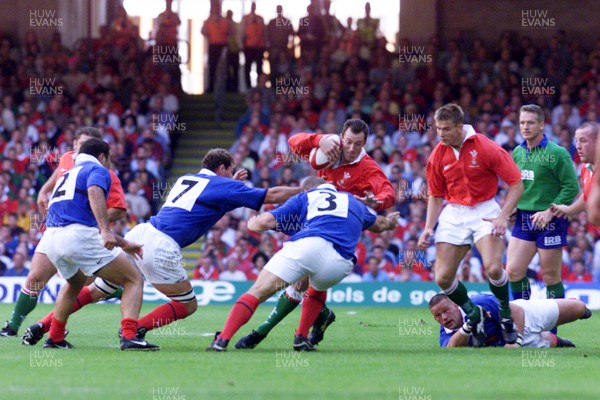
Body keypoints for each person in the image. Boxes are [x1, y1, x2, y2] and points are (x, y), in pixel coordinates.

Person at [22, 148, 301, 346]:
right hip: (162, 246)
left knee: (96, 289)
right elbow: (271, 195)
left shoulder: (186, 178)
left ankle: (43, 326)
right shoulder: (222, 186)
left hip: (143, 231)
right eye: (229, 171)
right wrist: (303, 191)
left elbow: (209, 200)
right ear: (223, 169)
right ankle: (135, 330)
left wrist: (231, 186)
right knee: (187, 304)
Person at [235, 118, 395, 349]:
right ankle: (318, 318)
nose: (351, 148)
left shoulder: (368, 168)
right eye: (349, 142)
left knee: (302, 282)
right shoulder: (329, 147)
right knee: (308, 282)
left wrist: (377, 201)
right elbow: (293, 142)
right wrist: (319, 139)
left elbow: (387, 192)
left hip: (338, 230)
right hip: (313, 217)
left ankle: (261, 333)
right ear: (341, 137)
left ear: (365, 144)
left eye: (358, 144)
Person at [207, 177, 399, 351]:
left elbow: (263, 223)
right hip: (340, 261)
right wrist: (390, 223)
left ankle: (222, 340)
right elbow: (380, 225)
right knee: (312, 284)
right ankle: (300, 337)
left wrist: (252, 223)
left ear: (307, 190)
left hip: (308, 246)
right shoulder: (353, 202)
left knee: (257, 291)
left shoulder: (306, 197)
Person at [0, 127, 126, 338]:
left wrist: (92, 219)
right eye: (80, 144)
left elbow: (119, 208)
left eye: (87, 145)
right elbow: (58, 175)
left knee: (81, 284)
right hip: (55, 230)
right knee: (36, 278)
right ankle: (12, 326)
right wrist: (43, 191)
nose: (82, 149)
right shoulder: (67, 159)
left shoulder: (105, 173)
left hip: (80, 233)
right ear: (75, 143)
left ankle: (103, 292)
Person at [417, 103, 524, 346]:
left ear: (459, 127)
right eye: (437, 129)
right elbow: (435, 195)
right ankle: (472, 313)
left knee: (494, 269)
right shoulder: (437, 154)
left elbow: (516, 184)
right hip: (454, 213)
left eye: (445, 129)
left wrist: (502, 215)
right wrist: (428, 227)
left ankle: (506, 314)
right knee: (443, 278)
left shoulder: (487, 148)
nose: (440, 134)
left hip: (485, 209)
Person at [38, 138, 158, 350]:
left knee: (75, 284)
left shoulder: (67, 174)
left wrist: (123, 243)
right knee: (133, 279)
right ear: (102, 157)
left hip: (51, 239)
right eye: (109, 158)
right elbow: (94, 192)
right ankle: (130, 336)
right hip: (76, 236)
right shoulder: (97, 168)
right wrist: (105, 230)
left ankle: (55, 337)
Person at [506, 104, 579, 303]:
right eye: (522, 122)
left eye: (530, 122)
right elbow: (518, 185)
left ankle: (551, 332)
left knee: (550, 277)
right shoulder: (518, 153)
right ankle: (528, 318)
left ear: (541, 125)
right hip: (524, 218)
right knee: (513, 271)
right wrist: (513, 207)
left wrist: (550, 211)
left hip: (551, 220)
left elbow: (572, 188)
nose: (525, 127)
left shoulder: (557, 153)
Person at [428, 293, 591, 348]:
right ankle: (555, 339)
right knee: (551, 343)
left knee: (579, 308)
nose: (443, 318)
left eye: (446, 311)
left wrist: (516, 342)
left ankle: (573, 303)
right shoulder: (447, 330)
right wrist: (469, 324)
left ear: (456, 305)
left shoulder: (480, 302)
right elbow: (451, 348)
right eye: (437, 316)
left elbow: (516, 311)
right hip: (503, 342)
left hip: (523, 317)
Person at [550, 121, 598, 218]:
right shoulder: (585, 167)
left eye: (583, 141)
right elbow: (586, 196)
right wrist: (569, 210)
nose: (578, 146)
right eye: (576, 141)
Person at [201, 3, 229, 93]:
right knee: (212, 67)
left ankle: (223, 88)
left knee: (223, 68)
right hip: (212, 46)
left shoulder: (225, 20)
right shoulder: (208, 20)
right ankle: (211, 87)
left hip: (223, 46)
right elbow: (203, 31)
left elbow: (231, 31)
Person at [239, 2, 266, 90]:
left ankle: (260, 86)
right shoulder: (245, 19)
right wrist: (241, 46)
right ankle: (248, 87)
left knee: (259, 67)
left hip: (259, 47)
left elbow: (265, 33)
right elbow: (241, 33)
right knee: (248, 67)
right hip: (249, 47)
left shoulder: (260, 19)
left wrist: (265, 44)